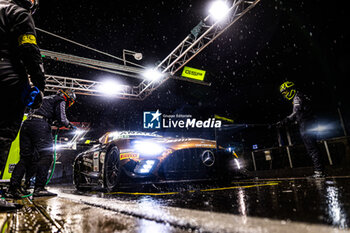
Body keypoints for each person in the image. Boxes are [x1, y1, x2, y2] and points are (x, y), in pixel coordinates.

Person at [0, 0, 45, 209]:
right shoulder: (19, 13)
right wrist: (38, 84)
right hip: (5, 80)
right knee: (2, 135)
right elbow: (29, 49)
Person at [8, 89, 76, 198]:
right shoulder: (61, 99)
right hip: (40, 125)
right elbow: (62, 118)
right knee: (47, 156)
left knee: (26, 158)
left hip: (27, 124)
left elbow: (46, 114)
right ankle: (39, 188)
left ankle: (13, 188)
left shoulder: (46, 99)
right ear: (69, 97)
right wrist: (69, 125)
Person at [276, 81, 325, 178]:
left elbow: (295, 113)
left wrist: (284, 121)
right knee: (313, 148)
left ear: (290, 90)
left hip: (306, 125)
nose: (285, 95)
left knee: (312, 149)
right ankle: (319, 170)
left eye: (285, 92)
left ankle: (319, 172)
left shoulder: (297, 97)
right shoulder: (301, 96)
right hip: (308, 123)